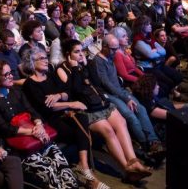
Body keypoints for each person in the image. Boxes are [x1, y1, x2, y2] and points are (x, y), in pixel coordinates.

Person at [57, 39, 151, 184]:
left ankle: (134, 162)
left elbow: (96, 83)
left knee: (121, 123)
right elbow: (74, 91)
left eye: (81, 51)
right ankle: (127, 170)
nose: (81, 54)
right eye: (76, 52)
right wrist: (75, 69)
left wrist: (86, 67)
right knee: (108, 131)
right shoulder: (62, 69)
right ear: (68, 54)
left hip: (100, 103)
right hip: (86, 109)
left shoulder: (85, 64)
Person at [0, 61, 80, 189]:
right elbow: (4, 128)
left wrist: (39, 125)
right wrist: (33, 131)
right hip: (19, 146)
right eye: (6, 75)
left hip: (37, 136)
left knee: (62, 166)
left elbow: (33, 111)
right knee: (48, 172)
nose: (11, 76)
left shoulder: (16, 92)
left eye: (11, 73)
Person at [21, 47, 109, 189]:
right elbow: (46, 107)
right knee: (81, 130)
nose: (45, 60)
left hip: (64, 114)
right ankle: (85, 172)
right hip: (49, 120)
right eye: (41, 58)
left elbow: (68, 91)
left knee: (82, 119)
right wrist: (70, 103)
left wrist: (59, 96)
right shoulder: (29, 84)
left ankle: (84, 168)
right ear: (31, 63)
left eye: (45, 57)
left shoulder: (50, 75)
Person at [89, 35, 164, 158]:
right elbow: (106, 84)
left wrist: (126, 95)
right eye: (113, 49)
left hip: (118, 91)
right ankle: (146, 144)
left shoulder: (110, 56)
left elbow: (117, 80)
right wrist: (126, 98)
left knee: (141, 108)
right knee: (130, 115)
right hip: (107, 94)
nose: (115, 51)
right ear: (104, 47)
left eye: (117, 48)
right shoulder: (98, 61)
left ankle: (153, 140)